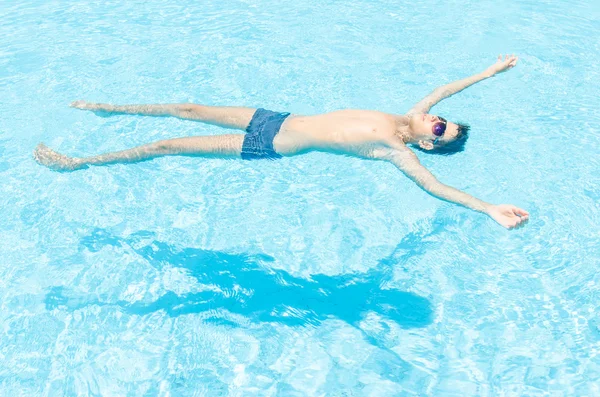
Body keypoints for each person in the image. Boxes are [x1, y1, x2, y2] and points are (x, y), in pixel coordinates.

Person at [34, 55, 529, 229]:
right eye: (443, 120)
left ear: (427, 145)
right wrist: (490, 72)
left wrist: (486, 207)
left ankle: (78, 164)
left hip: (270, 145)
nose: (437, 120)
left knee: (168, 144)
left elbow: (436, 188)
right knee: (188, 107)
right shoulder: (411, 115)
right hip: (276, 117)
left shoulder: (396, 150)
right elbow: (447, 89)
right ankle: (109, 107)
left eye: (441, 131)